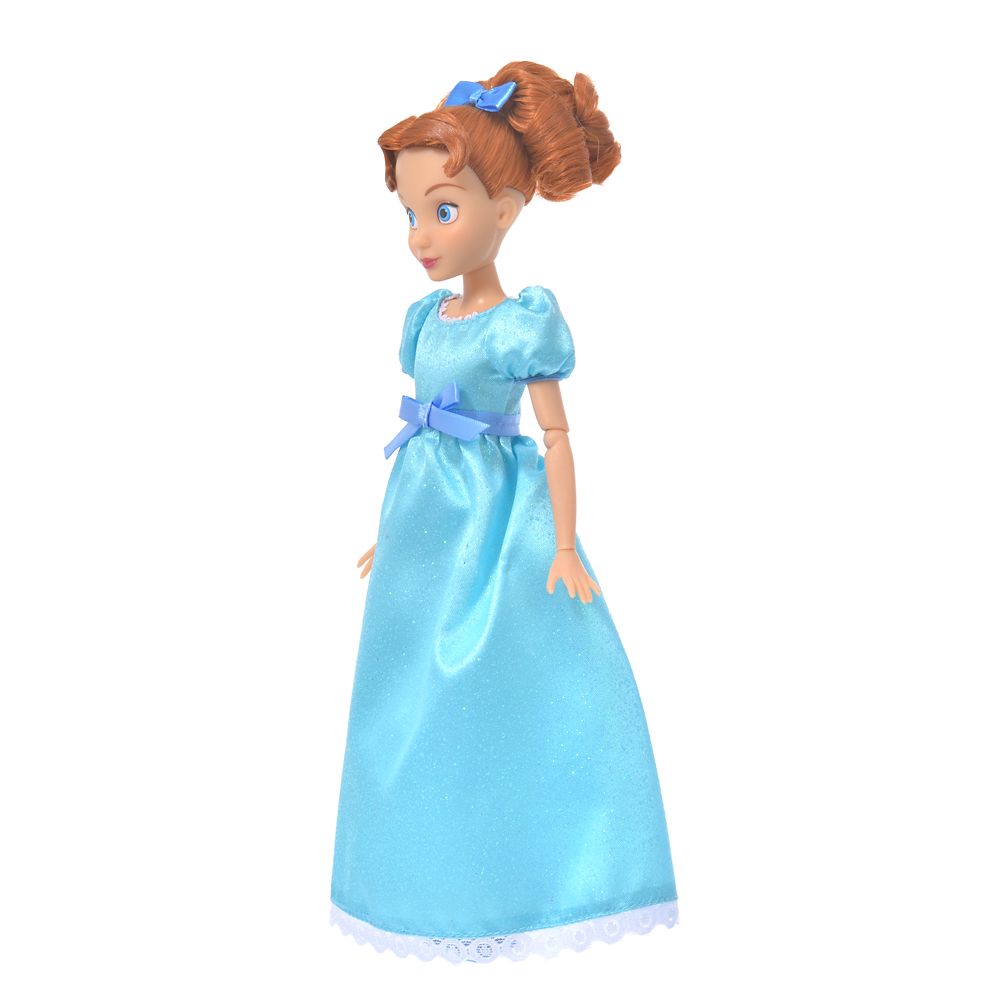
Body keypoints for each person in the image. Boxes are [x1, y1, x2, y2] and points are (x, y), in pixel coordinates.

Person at [329, 61, 679, 964]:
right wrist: (388, 535)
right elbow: (420, 441)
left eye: (443, 211)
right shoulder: (424, 320)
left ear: (509, 211)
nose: (420, 236)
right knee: (408, 701)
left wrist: (562, 544)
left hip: (495, 518)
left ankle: (523, 880)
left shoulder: (522, 323)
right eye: (411, 214)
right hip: (422, 526)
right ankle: (417, 882)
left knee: (493, 685)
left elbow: (556, 438)